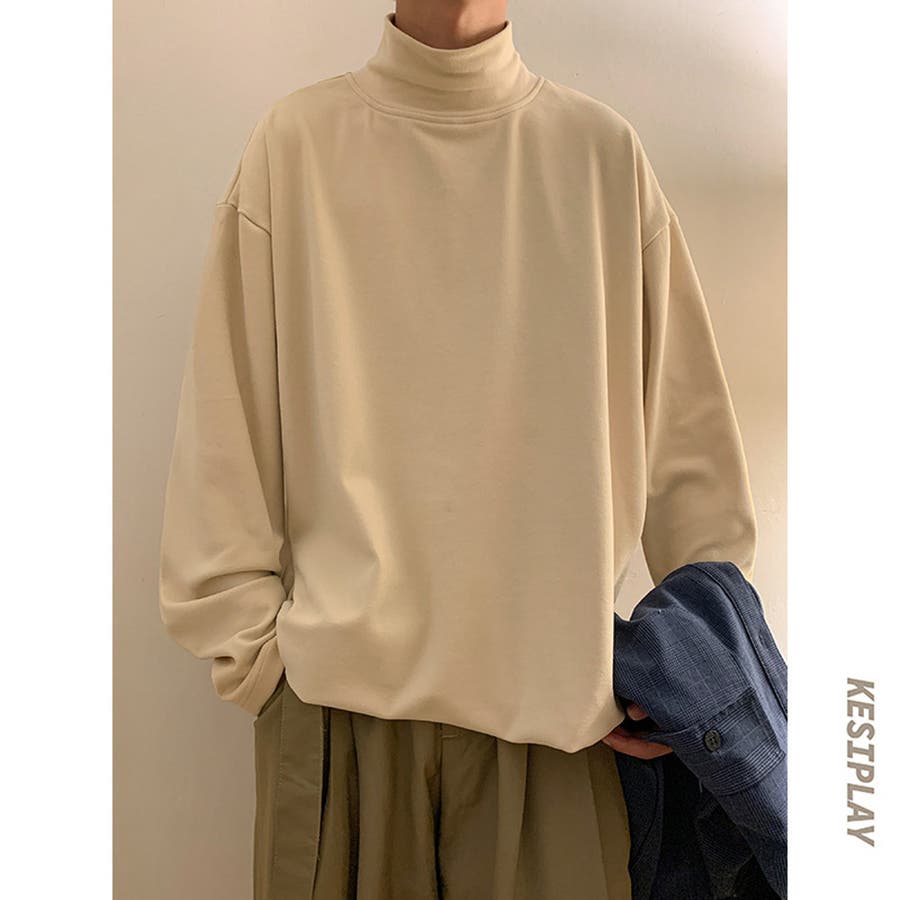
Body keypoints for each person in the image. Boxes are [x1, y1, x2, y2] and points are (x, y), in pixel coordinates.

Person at [158, 2, 758, 897]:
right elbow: (224, 444)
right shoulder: (296, 148)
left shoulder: (601, 158)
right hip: (337, 731)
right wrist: (264, 666)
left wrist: (672, 673)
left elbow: (698, 483)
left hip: (557, 741)